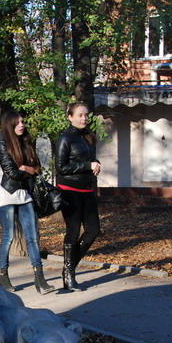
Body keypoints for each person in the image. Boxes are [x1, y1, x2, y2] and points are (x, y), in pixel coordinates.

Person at [0, 110, 55, 295]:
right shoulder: (3, 144)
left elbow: (37, 168)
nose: (22, 125)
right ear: (10, 125)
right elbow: (12, 172)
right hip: (7, 194)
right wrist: (25, 169)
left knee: (32, 237)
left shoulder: (27, 143)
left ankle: (40, 278)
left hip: (26, 194)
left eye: (23, 121)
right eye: (18, 122)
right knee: (9, 236)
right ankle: (3, 275)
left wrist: (26, 168)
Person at [54, 102, 102, 291]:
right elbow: (61, 167)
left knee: (93, 230)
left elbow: (89, 160)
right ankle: (69, 274)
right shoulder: (65, 138)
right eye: (80, 115)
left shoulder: (87, 137)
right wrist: (86, 166)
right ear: (70, 117)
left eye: (86, 115)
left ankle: (69, 268)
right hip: (69, 190)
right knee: (73, 232)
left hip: (87, 189)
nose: (84, 118)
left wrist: (96, 163)